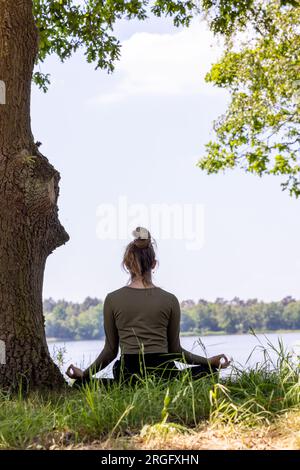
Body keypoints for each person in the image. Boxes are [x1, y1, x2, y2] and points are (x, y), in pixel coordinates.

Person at [66, 227, 231, 387]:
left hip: (129, 375)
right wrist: (208, 362)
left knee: (82, 384)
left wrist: (85, 374)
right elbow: (175, 350)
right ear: (154, 264)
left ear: (126, 264)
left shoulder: (112, 299)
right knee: (208, 372)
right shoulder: (170, 300)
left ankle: (119, 386)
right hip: (163, 374)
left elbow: (110, 351)